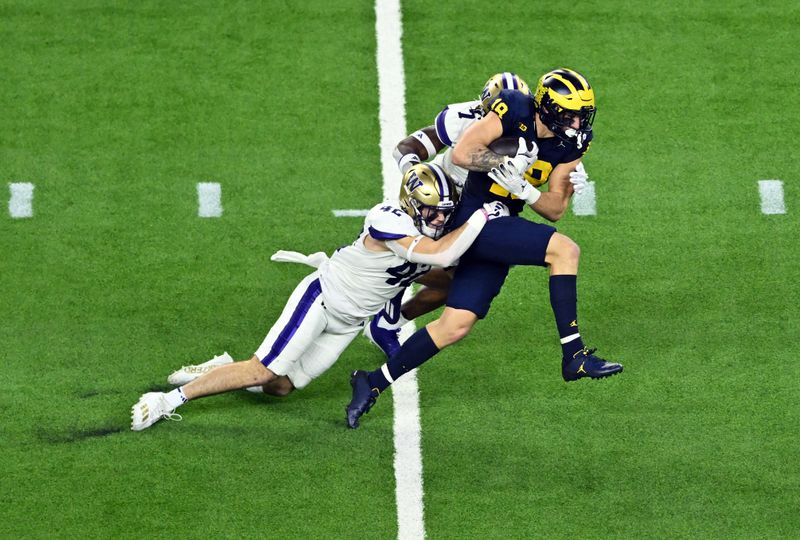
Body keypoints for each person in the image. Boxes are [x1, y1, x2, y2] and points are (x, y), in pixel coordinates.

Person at [130, 163, 509, 431]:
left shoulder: (427, 230)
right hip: (323, 299)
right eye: (431, 211)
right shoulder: (388, 218)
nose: (440, 219)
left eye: (443, 212)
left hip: (349, 323)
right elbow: (440, 253)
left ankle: (219, 368)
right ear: (411, 204)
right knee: (264, 370)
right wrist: (482, 218)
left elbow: (443, 270)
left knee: (278, 387)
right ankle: (169, 401)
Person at [346, 68, 623, 429]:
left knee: (455, 325)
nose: (577, 122)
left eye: (582, 114)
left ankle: (372, 381)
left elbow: (555, 209)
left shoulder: (573, 143)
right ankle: (574, 354)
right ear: (548, 108)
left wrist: (527, 191)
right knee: (564, 251)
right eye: (570, 113)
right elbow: (462, 153)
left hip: (502, 217)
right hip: (473, 213)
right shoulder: (513, 108)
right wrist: (499, 164)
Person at [365, 72, 589, 358]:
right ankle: (367, 287)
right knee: (409, 262)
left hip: (477, 209)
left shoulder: (535, 131)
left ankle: (389, 322)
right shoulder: (467, 120)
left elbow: (545, 175)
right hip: (439, 204)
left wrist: (569, 174)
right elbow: (409, 148)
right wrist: (418, 179)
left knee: (453, 283)